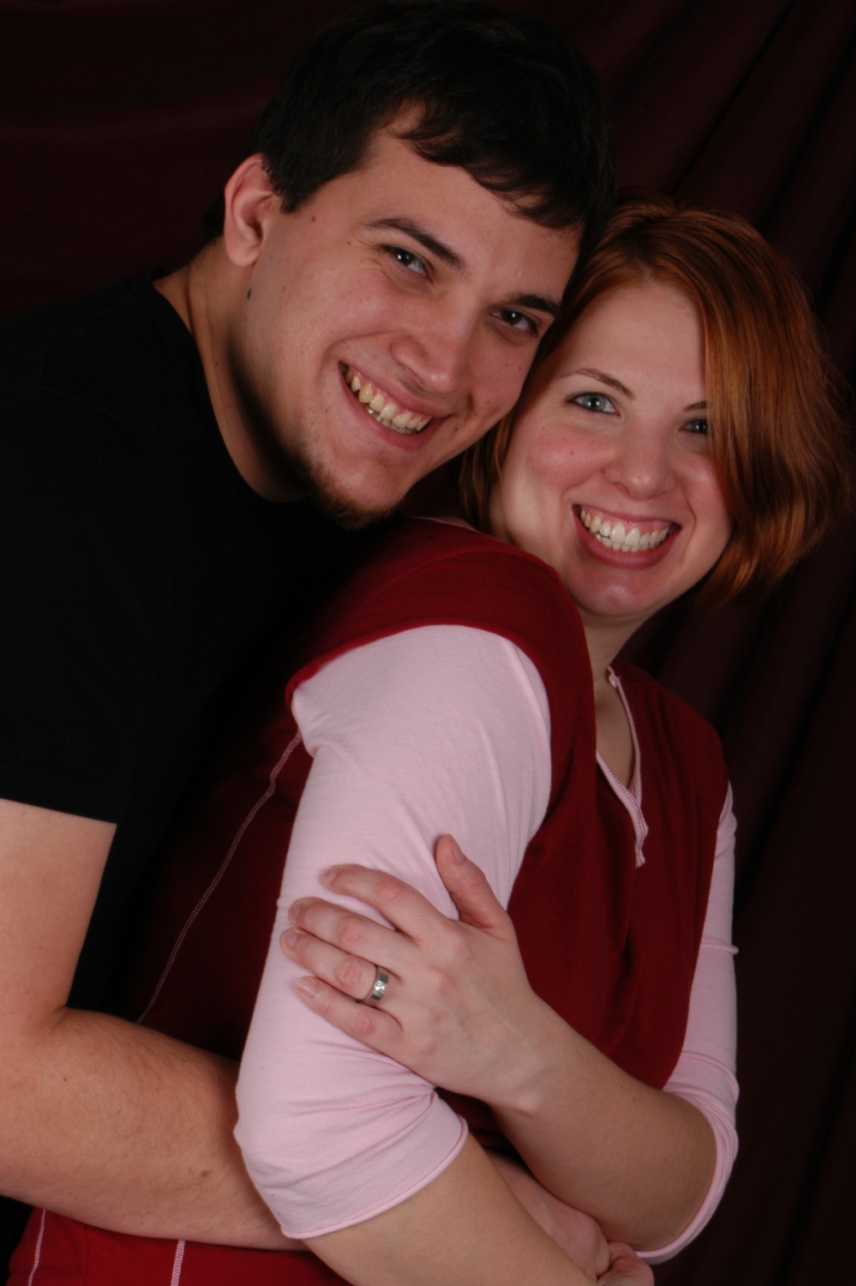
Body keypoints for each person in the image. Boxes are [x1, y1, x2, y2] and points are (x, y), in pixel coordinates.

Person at [10, 198, 847, 1285]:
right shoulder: (469, 629)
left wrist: (518, 1051)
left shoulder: (686, 760)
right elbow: (321, 1126)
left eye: (705, 425)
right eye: (594, 400)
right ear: (504, 416)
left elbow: (682, 1184)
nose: (644, 475)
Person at [0, 0, 614, 1267]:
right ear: (256, 214)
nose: (444, 368)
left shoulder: (351, 492)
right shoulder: (55, 472)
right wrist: (462, 1210)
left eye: (515, 318)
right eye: (408, 256)